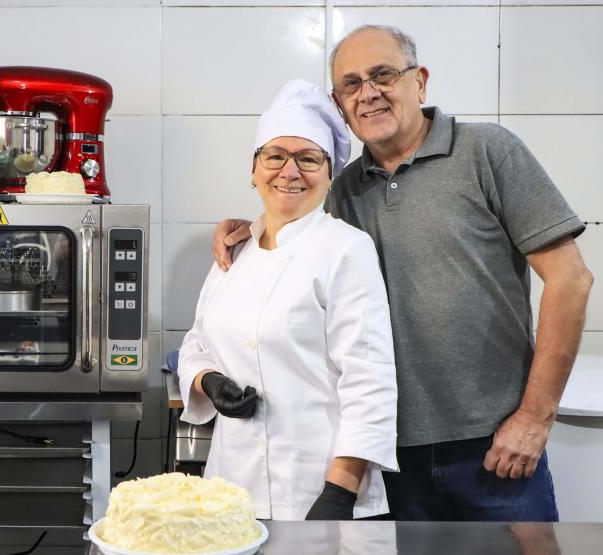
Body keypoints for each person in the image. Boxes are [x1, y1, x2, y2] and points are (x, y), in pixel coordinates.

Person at [212, 25, 593, 521]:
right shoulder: (344, 190)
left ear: (420, 81)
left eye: (383, 75)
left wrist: (535, 417)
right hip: (389, 459)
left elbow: (570, 279)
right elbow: (294, 230)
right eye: (351, 84)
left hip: (494, 448)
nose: (367, 93)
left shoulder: (486, 151)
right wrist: (247, 230)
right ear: (339, 103)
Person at [178, 79, 398, 521]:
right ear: (254, 168)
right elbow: (196, 343)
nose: (289, 172)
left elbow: (368, 379)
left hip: (315, 489)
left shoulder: (345, 249)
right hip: (232, 491)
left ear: (329, 174)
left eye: (308, 159)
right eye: (275, 156)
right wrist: (208, 381)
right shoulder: (235, 250)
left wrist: (340, 493)